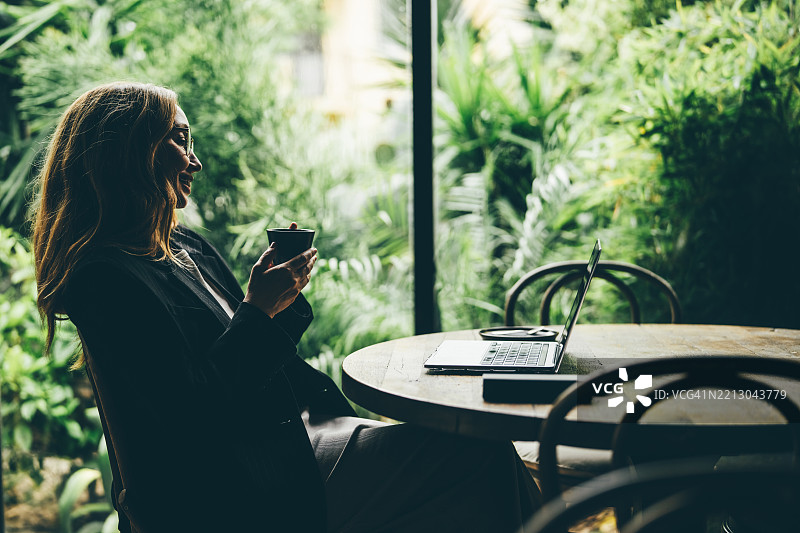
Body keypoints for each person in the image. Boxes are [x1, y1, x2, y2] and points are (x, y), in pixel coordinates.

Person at [32, 82, 540, 532]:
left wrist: (279, 297)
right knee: (483, 459)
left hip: (296, 435)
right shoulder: (103, 279)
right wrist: (257, 309)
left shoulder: (186, 249)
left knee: (487, 460)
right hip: (244, 479)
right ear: (127, 153)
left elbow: (248, 342)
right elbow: (191, 416)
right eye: (179, 139)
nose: (195, 160)